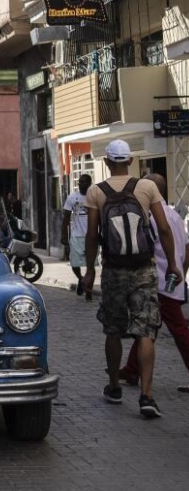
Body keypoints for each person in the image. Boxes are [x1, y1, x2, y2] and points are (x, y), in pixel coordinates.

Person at [84, 139, 182, 418]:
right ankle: (147, 396)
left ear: (107, 162)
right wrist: (173, 265)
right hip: (144, 270)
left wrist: (90, 271)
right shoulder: (148, 187)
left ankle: (115, 386)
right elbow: (163, 228)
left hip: (113, 271)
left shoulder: (95, 192)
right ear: (129, 160)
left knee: (113, 330)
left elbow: (92, 235)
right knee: (146, 330)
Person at [119, 174, 189, 391]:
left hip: (158, 281)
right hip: (170, 279)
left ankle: (132, 371)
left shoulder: (151, 217)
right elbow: (187, 248)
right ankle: (131, 370)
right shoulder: (174, 216)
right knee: (148, 327)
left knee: (176, 329)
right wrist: (180, 273)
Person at [62, 174, 94, 300]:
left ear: (89, 183)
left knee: (90, 266)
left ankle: (89, 292)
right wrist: (64, 234)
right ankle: (81, 279)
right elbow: (66, 216)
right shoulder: (72, 197)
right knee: (75, 263)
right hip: (76, 235)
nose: (80, 184)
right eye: (79, 182)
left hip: (91, 236)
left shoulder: (94, 196)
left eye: (83, 182)